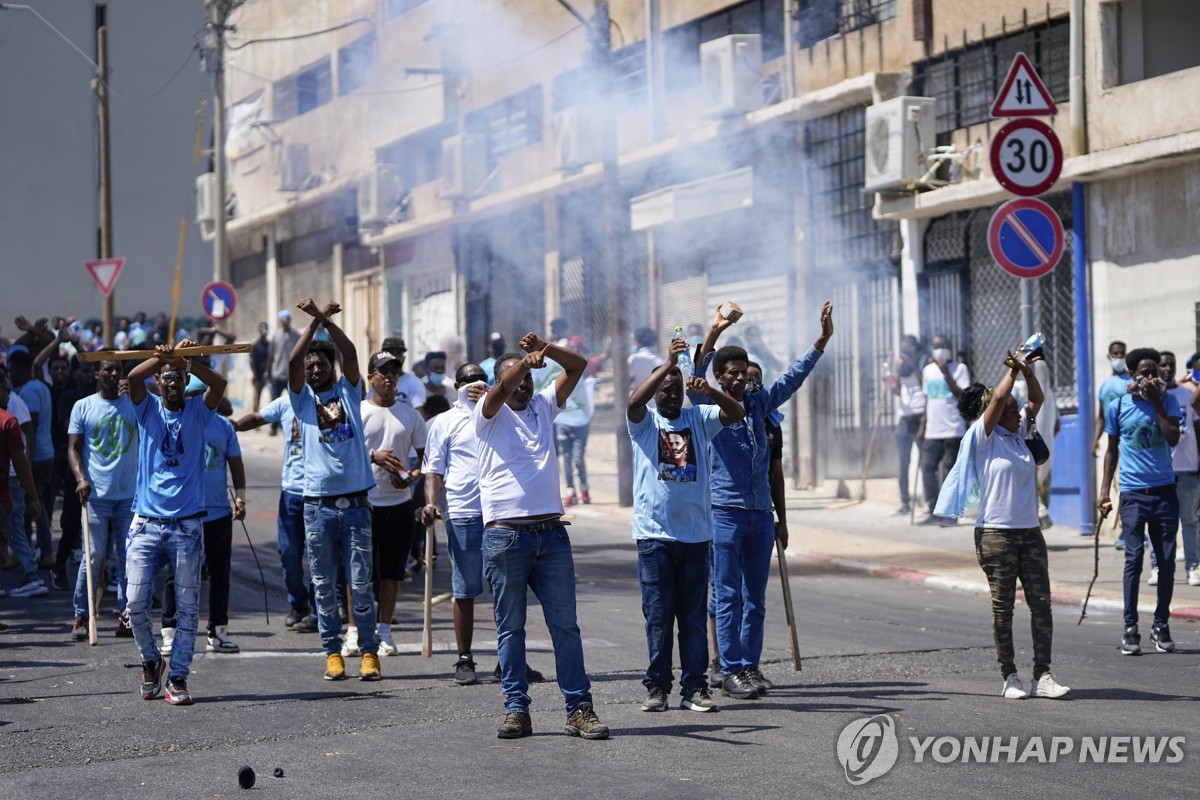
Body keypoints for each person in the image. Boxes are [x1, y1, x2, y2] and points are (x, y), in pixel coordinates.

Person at [690, 301, 832, 701]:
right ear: (721, 377)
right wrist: (715, 331)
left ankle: (749, 667)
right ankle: (730, 668)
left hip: (758, 516)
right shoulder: (709, 404)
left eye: (742, 374)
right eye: (731, 374)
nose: (738, 380)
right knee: (728, 594)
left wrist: (820, 342)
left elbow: (792, 378)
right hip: (725, 513)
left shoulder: (759, 406)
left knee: (756, 597)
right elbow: (696, 372)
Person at [475, 333, 608, 740]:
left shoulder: (543, 407)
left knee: (565, 627)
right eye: (516, 380)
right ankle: (517, 709)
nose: (524, 386)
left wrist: (546, 351)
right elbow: (500, 389)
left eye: (530, 380)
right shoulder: (487, 413)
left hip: (551, 536)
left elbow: (578, 366)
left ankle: (579, 710)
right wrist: (521, 367)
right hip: (505, 537)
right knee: (511, 629)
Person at [936, 353, 1070, 700]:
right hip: (996, 534)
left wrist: (1026, 371)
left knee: (1042, 603)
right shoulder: (983, 438)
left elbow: (1037, 399)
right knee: (1003, 606)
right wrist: (1012, 368)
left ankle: (1043, 675)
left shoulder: (1020, 430)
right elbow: (997, 399)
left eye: (1015, 409)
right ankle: (1009, 676)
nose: (1017, 412)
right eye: (1010, 409)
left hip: (1030, 532)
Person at [628, 336, 744, 714]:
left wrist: (706, 388)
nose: (673, 394)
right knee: (659, 619)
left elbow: (735, 414)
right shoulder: (645, 424)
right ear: (656, 390)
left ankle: (694, 688)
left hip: (695, 538)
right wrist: (668, 363)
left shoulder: (698, 417)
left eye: (677, 389)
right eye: (666, 388)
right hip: (654, 538)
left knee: (692, 619)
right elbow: (633, 403)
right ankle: (657, 688)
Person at [124, 339, 227, 706]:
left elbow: (219, 385)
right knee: (135, 602)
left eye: (177, 378)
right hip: (147, 523)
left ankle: (178, 676)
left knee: (186, 608)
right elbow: (134, 378)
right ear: (159, 383)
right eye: (166, 378)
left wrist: (186, 361)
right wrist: (160, 358)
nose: (171, 383)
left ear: (184, 383)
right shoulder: (147, 408)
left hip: (186, 526)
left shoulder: (199, 412)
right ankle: (152, 661)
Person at [288, 299, 380, 682]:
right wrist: (311, 327)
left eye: (320, 362)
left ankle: (370, 651)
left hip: (356, 506)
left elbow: (351, 352)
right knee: (324, 586)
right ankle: (332, 652)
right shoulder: (301, 401)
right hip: (318, 508)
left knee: (360, 584)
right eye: (310, 364)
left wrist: (324, 322)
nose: (313, 367)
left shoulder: (349, 392)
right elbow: (292, 363)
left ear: (331, 366)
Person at [1099, 347, 1183, 656]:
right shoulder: (1118, 406)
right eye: (1145, 372)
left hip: (1164, 493)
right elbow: (1111, 451)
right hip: (1133, 495)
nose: (1152, 377)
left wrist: (1157, 402)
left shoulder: (1169, 401)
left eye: (1155, 372)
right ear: (1133, 376)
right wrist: (1104, 490)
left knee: (1165, 563)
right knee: (1133, 559)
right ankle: (1130, 627)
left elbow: (1173, 437)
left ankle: (1161, 625)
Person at [161, 376, 246, 655]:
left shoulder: (223, 427)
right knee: (177, 574)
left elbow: (235, 463)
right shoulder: (176, 425)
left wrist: (241, 497)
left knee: (220, 573)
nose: (198, 400)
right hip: (184, 512)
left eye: (202, 394)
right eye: (193, 394)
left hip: (218, 512)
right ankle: (170, 632)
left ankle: (218, 631)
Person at [422, 364, 490, 684]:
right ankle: (465, 659)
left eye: (483, 380)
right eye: (471, 381)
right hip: (463, 513)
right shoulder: (443, 423)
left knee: (507, 589)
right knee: (464, 589)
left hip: (499, 514)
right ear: (458, 385)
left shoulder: (500, 414)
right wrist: (432, 503)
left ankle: (509, 656)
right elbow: (433, 469)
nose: (477, 386)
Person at [360, 351, 427, 657]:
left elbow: (426, 458)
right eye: (382, 371)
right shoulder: (358, 411)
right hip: (365, 503)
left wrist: (411, 477)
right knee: (358, 572)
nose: (388, 377)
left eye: (394, 372)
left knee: (392, 572)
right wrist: (373, 457)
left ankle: (384, 630)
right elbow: (343, 454)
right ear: (370, 376)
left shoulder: (411, 415)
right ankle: (354, 631)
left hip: (399, 504)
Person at [67, 353, 138, 640]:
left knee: (128, 557)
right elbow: (73, 448)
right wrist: (80, 478)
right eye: (107, 370)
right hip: (95, 496)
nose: (113, 374)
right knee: (93, 555)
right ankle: (82, 615)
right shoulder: (83, 407)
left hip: (128, 496)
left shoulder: (135, 405)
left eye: (118, 370)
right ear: (97, 374)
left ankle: (127, 615)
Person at [235, 394, 316, 632]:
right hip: (291, 492)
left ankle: (322, 607)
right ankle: (299, 604)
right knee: (289, 552)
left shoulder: (325, 399)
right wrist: (235, 426)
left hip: (319, 491)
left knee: (321, 556)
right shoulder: (286, 401)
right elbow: (259, 417)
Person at [917, 334, 971, 526]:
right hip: (933, 429)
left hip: (954, 429)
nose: (939, 349)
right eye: (935, 346)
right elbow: (926, 400)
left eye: (942, 346)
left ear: (949, 348)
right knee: (927, 467)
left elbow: (962, 396)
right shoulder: (928, 371)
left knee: (950, 472)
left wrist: (946, 373)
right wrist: (922, 427)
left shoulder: (960, 369)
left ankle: (950, 514)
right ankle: (933, 510)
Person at [8, 348, 55, 563]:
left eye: (11, 371)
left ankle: (40, 551)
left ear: (18, 370)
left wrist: (26, 460)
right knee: (37, 504)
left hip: (35, 458)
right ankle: (34, 550)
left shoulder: (27, 393)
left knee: (33, 506)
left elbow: (30, 431)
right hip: (46, 454)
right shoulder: (41, 386)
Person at [0, 368, 43, 598]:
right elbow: (22, 464)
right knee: (16, 529)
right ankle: (33, 573)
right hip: (7, 489)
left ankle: (32, 573)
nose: (9, 395)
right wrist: (34, 497)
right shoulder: (8, 420)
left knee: (15, 528)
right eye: (6, 390)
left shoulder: (12, 413)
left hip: (10, 486)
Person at [1159, 352, 1200, 587]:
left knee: (1190, 521)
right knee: (1163, 524)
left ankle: (1193, 567)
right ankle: (1159, 566)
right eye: (1162, 365)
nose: (1167, 369)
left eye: (1170, 365)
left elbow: (1196, 426)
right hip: (1163, 470)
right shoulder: (1154, 397)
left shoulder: (1187, 395)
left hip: (1187, 467)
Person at [886, 335, 926, 515]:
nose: (905, 353)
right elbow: (898, 391)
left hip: (921, 415)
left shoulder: (924, 360)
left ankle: (929, 501)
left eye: (907, 349)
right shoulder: (899, 364)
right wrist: (889, 381)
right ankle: (904, 503)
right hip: (905, 416)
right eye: (903, 350)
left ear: (914, 348)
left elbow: (925, 383)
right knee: (903, 463)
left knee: (926, 461)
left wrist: (914, 363)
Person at [556, 337, 596, 507]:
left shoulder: (584, 371)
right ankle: (571, 490)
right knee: (566, 458)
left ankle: (584, 488)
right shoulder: (557, 373)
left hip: (580, 422)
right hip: (562, 421)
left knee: (578, 458)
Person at [266, 310, 300, 434]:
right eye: (283, 320)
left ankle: (295, 427)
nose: (285, 323)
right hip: (278, 373)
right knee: (275, 400)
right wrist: (267, 371)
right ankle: (273, 427)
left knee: (295, 401)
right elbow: (271, 355)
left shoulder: (296, 335)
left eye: (287, 320)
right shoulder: (276, 336)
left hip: (292, 374)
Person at [379, 337, 426, 411]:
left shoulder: (414, 382)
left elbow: (418, 414)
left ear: (403, 358)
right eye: (390, 353)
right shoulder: (377, 380)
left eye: (398, 354)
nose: (394, 357)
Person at [628, 328, 664, 400]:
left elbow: (627, 381)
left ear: (638, 342)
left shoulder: (634, 359)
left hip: (639, 404)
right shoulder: (664, 360)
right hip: (660, 405)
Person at [250, 322, 270, 412]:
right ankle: (255, 418)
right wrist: (255, 375)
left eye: (265, 328)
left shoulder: (269, 344)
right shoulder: (255, 345)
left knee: (271, 397)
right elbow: (252, 361)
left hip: (268, 376)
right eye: (262, 328)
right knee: (256, 399)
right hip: (258, 377)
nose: (263, 330)